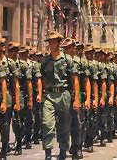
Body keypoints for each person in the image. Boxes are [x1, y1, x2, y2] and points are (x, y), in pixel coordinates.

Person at [40, 31, 80, 160]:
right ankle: (48, 152)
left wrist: (76, 100)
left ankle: (63, 150)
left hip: (64, 95)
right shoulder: (45, 60)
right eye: (50, 41)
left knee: (64, 125)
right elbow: (42, 78)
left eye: (54, 41)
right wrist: (42, 93)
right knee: (47, 123)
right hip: (49, 95)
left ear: (58, 42)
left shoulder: (67, 59)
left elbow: (75, 80)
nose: (51, 43)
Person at [0, 38, 20, 160]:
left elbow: (16, 83)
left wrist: (17, 102)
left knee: (5, 125)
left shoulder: (10, 63)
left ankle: (4, 150)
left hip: (7, 98)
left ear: (2, 48)